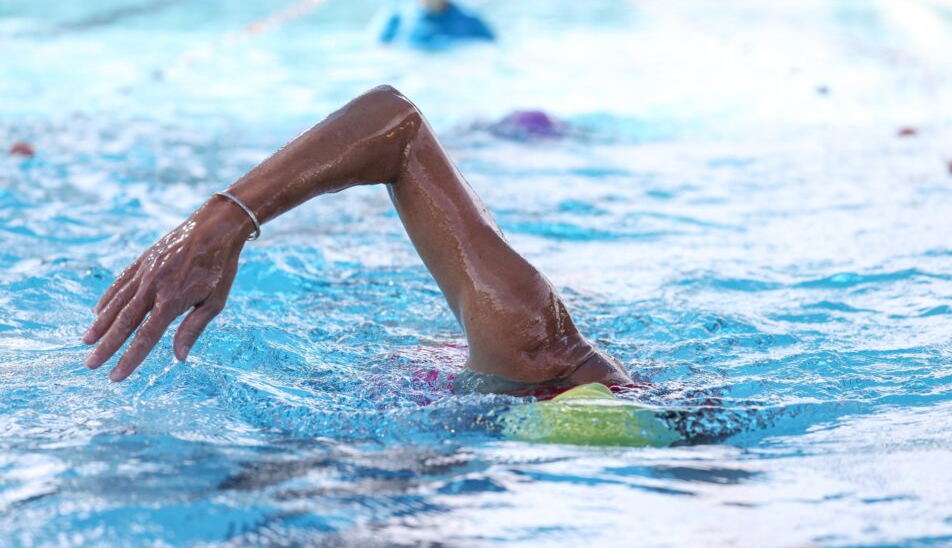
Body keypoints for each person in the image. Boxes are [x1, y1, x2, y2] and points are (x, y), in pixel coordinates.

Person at [82, 86, 629, 393]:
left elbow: (397, 125)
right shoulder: (528, 339)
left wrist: (218, 225)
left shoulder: (532, 348)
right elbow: (394, 120)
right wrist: (222, 222)